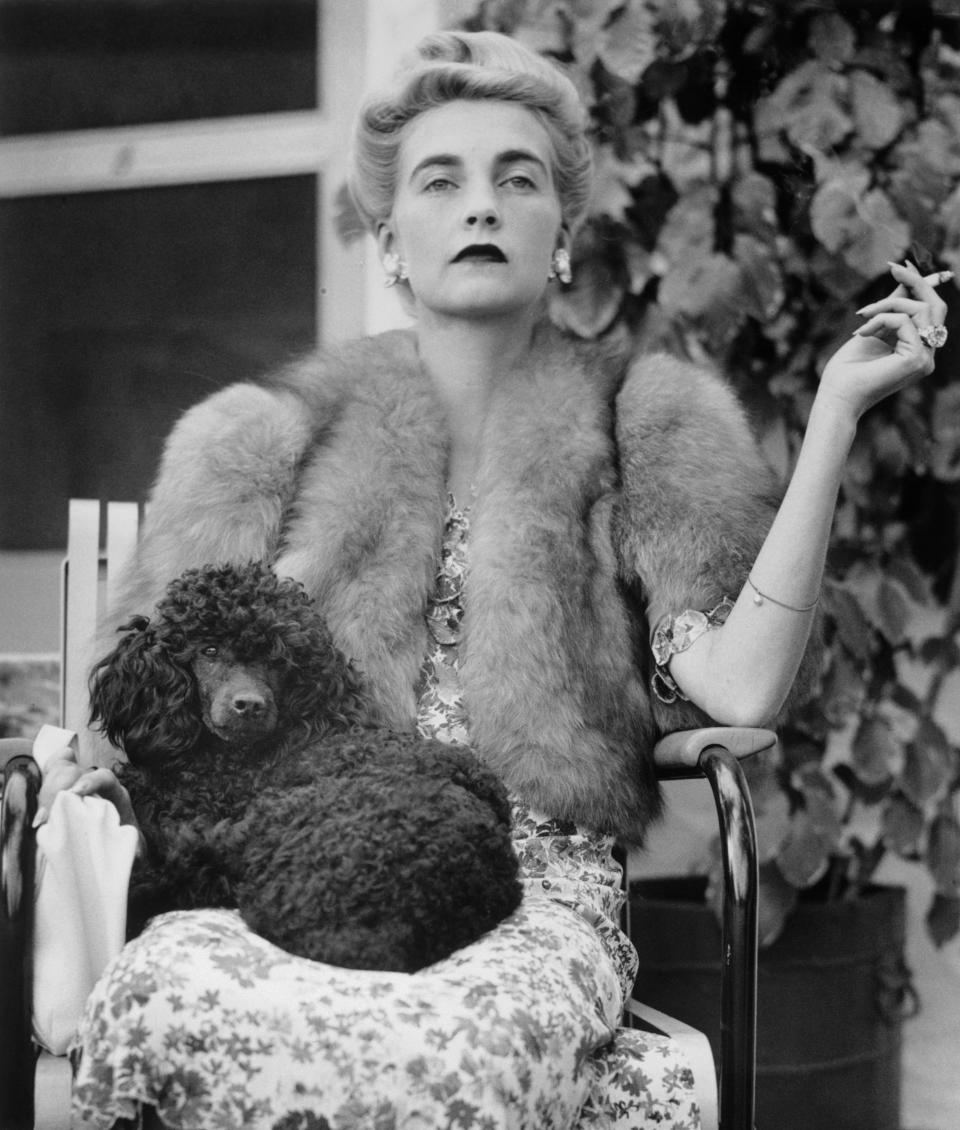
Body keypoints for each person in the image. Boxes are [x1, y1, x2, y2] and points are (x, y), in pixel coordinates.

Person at [57, 29, 946, 1130]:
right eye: (442, 180)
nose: (481, 205)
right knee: (161, 992)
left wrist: (834, 416)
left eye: (515, 179)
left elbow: (744, 691)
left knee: (448, 1050)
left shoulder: (644, 425)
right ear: (390, 237)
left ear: (563, 234)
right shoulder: (274, 441)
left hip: (535, 901)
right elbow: (138, 714)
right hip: (298, 872)